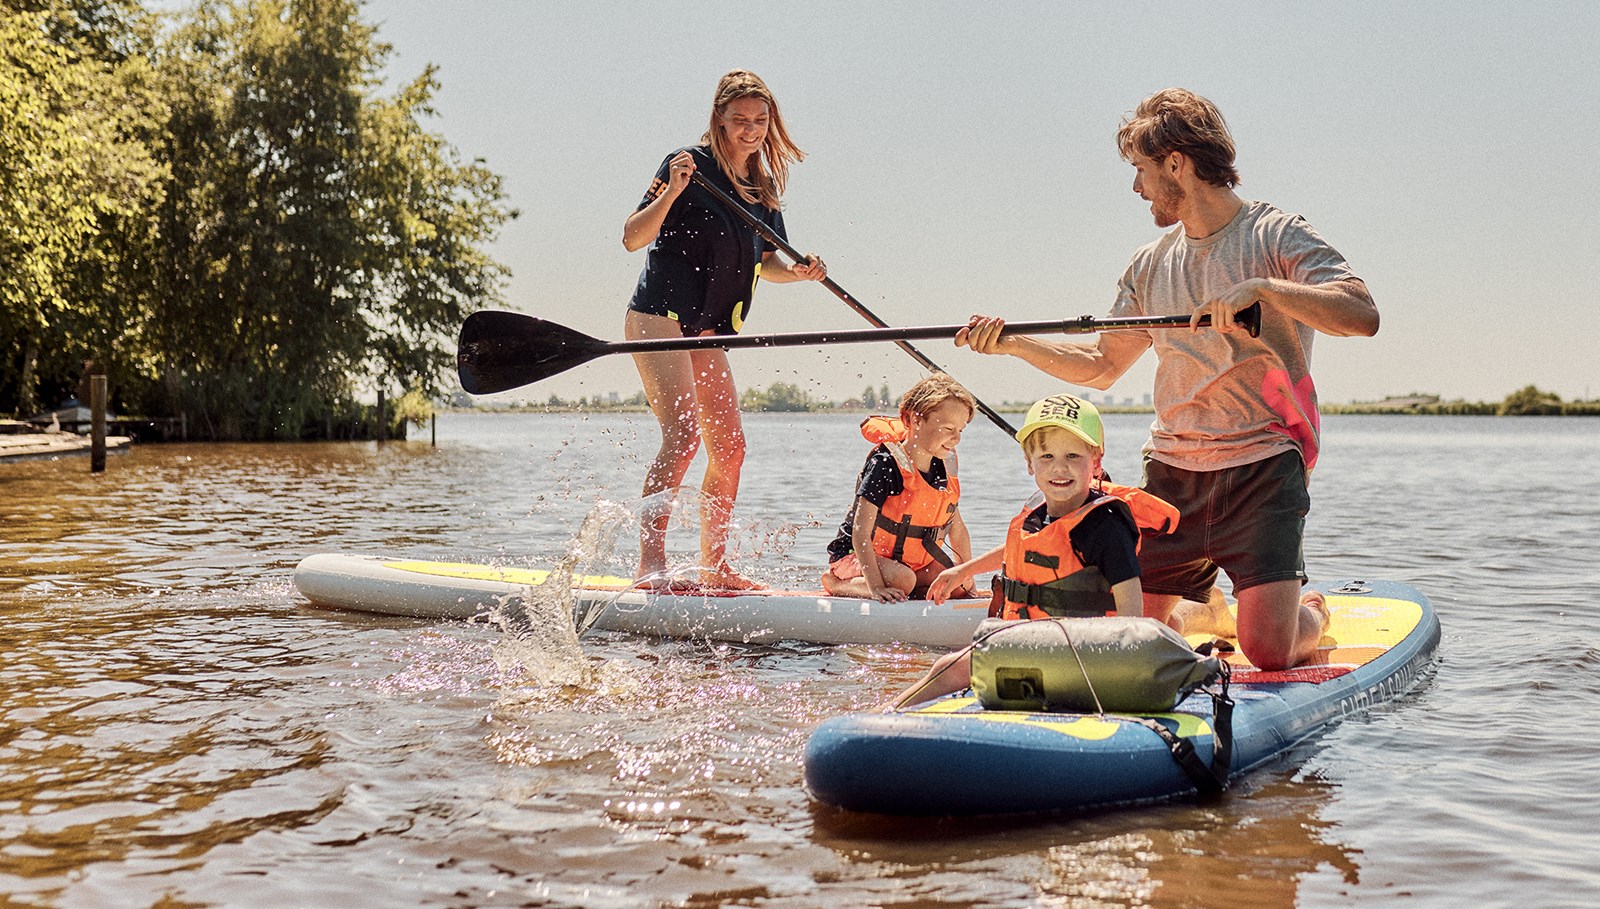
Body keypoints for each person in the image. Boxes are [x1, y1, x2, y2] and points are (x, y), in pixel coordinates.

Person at [956, 88, 1378, 670]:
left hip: (1262, 467)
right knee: (1133, 634)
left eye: (1141, 170)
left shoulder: (1276, 235)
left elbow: (1362, 314)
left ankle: (1312, 610)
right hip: (1173, 473)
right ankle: (1204, 610)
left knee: (1267, 652)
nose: (1136, 188)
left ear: (1176, 163)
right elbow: (1101, 366)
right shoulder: (1149, 263)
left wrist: (1265, 290)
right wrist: (1012, 344)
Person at [622, 70, 827, 589]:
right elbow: (631, 236)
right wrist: (671, 192)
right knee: (684, 437)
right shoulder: (686, 165)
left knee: (730, 447)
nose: (751, 130)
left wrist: (799, 271)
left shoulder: (764, 190)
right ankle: (651, 563)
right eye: (740, 120)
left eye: (760, 120)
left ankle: (715, 568)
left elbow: (767, 262)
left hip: (708, 329)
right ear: (719, 119)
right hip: (658, 316)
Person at [891, 394, 1178, 707]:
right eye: (1046, 457)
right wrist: (964, 570)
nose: (1060, 468)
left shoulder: (1105, 526)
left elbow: (1130, 606)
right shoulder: (1038, 515)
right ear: (1029, 463)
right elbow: (1023, 550)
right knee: (948, 666)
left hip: (1086, 657)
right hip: (1037, 647)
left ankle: (880, 719)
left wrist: (1123, 674)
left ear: (1095, 460)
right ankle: (884, 717)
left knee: (948, 668)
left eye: (1072, 456)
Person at [821, 374, 977, 603]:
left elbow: (957, 528)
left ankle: (909, 589)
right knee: (903, 581)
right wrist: (875, 587)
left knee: (958, 583)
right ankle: (837, 583)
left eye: (960, 430)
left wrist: (967, 577)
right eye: (948, 428)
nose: (956, 438)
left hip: (906, 562)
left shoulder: (944, 467)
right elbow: (860, 531)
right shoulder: (886, 464)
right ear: (913, 420)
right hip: (855, 556)